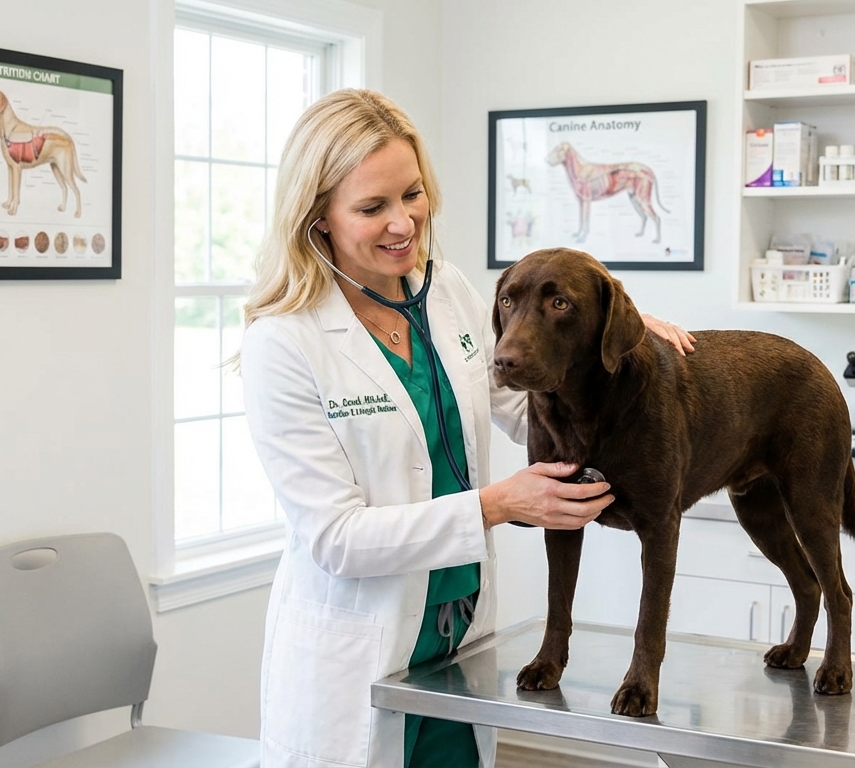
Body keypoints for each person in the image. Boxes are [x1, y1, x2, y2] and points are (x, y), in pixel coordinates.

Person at [240, 89, 695, 768]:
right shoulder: (282, 343)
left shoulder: (443, 288)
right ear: (319, 218)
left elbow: (516, 402)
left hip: (457, 645)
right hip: (358, 655)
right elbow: (334, 538)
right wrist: (498, 505)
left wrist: (616, 347)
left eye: (412, 194)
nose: (404, 224)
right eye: (372, 207)